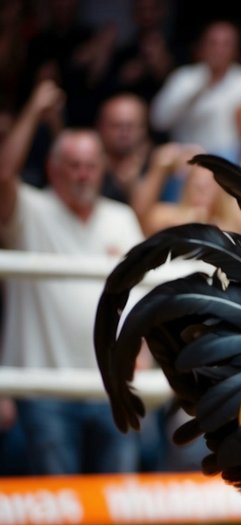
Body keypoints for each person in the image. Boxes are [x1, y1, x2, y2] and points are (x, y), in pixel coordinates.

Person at [0, 82, 144, 474]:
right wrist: (33, 110)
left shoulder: (121, 217)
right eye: (74, 165)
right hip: (45, 393)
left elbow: (143, 296)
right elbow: (2, 176)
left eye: (91, 165)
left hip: (111, 389)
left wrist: (143, 359)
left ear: (102, 169)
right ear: (53, 169)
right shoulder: (31, 209)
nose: (84, 174)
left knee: (118, 509)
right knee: (57, 515)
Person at [149, 20, 241, 154]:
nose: (219, 50)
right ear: (201, 46)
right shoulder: (183, 78)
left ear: (236, 48)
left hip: (236, 166)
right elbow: (158, 121)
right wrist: (197, 88)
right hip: (189, 163)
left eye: (226, 44)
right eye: (213, 43)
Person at [95, 93, 151, 204]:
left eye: (130, 126)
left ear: (143, 129)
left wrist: (132, 187)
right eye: (117, 126)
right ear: (101, 127)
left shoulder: (157, 165)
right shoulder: (86, 165)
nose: (124, 133)